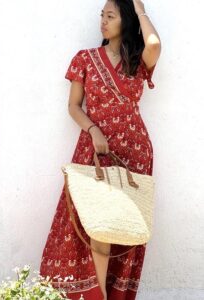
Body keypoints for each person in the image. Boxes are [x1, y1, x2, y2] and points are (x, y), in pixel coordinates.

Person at [39, 0, 161, 299]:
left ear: (126, 21)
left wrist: (140, 8)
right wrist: (93, 130)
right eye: (101, 15)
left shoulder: (137, 61)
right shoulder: (85, 58)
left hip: (133, 151)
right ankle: (99, 294)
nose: (103, 21)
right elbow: (73, 106)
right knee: (97, 222)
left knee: (121, 224)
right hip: (96, 149)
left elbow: (155, 44)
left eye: (111, 16)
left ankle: (112, 293)